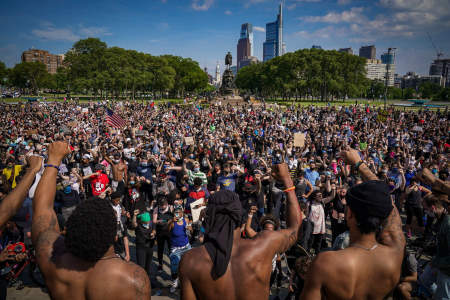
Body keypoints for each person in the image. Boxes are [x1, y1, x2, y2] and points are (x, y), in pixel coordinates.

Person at [31, 141, 150, 300]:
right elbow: (42, 209)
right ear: (115, 235)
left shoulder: (52, 260)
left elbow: (42, 209)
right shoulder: (133, 279)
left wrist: (52, 161)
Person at [179, 163, 302, 300]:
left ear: (208, 217)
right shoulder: (264, 246)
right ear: (239, 216)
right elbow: (295, 228)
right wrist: (287, 180)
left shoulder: (191, 261)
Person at [300, 147, 406, 299]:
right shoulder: (394, 254)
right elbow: (387, 202)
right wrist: (359, 163)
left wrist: (358, 164)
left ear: (349, 214)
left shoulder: (325, 263)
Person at [423, 194, 449, 299]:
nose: (425, 212)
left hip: (447, 268)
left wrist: (437, 263)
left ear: (432, 208)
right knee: (424, 280)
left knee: (444, 296)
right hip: (439, 259)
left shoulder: (448, 223)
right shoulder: (439, 218)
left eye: (425, 209)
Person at [168, 206, 192, 293]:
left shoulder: (186, 220)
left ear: (182, 213)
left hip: (186, 246)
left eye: (178, 212)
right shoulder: (172, 222)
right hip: (175, 248)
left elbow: (190, 232)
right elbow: (168, 231)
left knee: (190, 265)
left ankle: (188, 282)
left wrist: (190, 229)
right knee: (174, 266)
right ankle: (175, 282)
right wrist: (171, 221)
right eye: (175, 213)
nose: (177, 214)